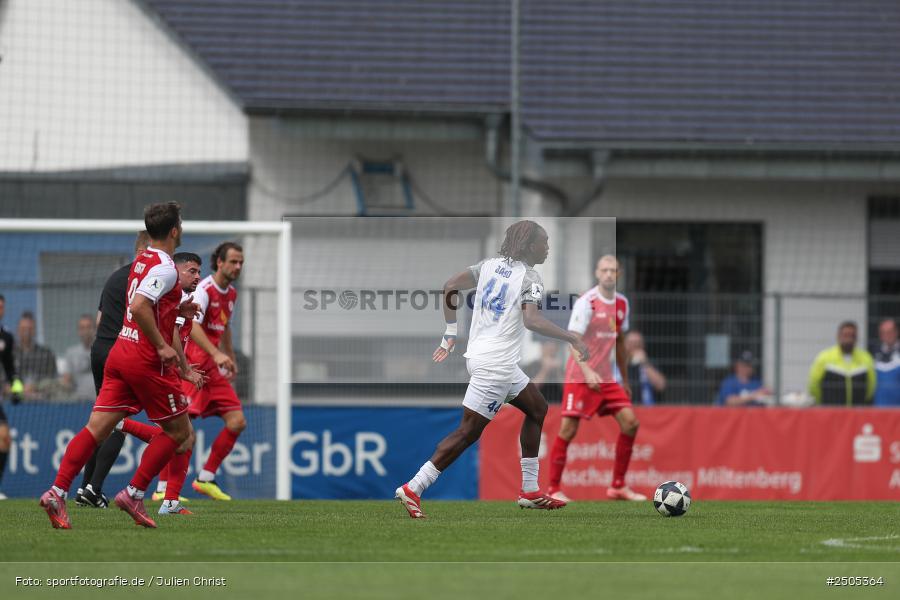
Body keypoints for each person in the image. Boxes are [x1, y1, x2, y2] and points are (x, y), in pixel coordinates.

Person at [395, 220, 590, 518]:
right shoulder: (530, 277)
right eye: (544, 242)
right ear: (529, 246)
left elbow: (449, 287)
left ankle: (530, 490)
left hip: (486, 358)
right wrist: (571, 337)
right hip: (495, 366)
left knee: (537, 408)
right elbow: (532, 320)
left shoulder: (488, 266)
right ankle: (414, 487)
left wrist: (450, 334)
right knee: (467, 432)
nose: (547, 248)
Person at [39, 202, 203, 529]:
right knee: (181, 433)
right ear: (174, 231)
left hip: (120, 351)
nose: (181, 229)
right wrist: (161, 345)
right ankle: (134, 492)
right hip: (144, 358)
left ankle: (57, 492)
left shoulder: (143, 258)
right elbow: (141, 306)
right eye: (180, 224)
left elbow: (144, 303)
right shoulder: (167, 267)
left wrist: (176, 309)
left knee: (96, 428)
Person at [80, 252, 204, 515]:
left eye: (198, 272)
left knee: (180, 436)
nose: (197, 276)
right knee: (181, 435)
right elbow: (169, 334)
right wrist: (184, 370)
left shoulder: (175, 298)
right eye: (192, 271)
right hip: (154, 369)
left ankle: (76, 489)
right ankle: (148, 494)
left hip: (151, 366)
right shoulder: (166, 289)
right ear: (177, 269)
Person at [547, 255, 646, 503]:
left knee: (631, 423)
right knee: (568, 429)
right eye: (605, 270)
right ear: (597, 273)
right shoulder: (587, 303)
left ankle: (618, 486)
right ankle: (553, 489)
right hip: (580, 376)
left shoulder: (622, 304)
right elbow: (573, 341)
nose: (609, 274)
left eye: (613, 270)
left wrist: (624, 379)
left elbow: (621, 344)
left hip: (606, 378)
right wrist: (587, 371)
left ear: (619, 274)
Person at [74, 231, 151, 508]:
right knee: (118, 422)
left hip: (100, 349)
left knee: (101, 422)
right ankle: (94, 488)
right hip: (122, 353)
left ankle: (84, 489)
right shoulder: (148, 278)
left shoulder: (115, 277)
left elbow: (99, 319)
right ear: (148, 249)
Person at [181, 242, 244, 501]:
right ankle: (163, 489)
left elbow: (225, 326)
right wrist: (216, 353)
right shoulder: (204, 290)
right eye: (233, 262)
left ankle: (205, 478)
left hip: (213, 370)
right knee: (181, 432)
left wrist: (228, 355)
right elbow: (192, 327)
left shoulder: (231, 294)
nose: (238, 267)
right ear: (219, 262)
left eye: (241, 263)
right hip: (193, 366)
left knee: (237, 422)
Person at [808, 321, 876, 406]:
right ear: (838, 336)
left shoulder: (866, 358)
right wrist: (823, 403)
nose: (848, 339)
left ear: (856, 338)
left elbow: (871, 386)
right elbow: (814, 385)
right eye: (845, 335)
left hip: (857, 412)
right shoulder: (824, 357)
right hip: (831, 412)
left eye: (852, 336)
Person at [0, 295, 24, 500]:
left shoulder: (6, 337)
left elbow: (10, 369)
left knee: (4, 438)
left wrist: (17, 388)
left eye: (1, 307)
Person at [15, 312, 58, 401]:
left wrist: (35, 386)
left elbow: (53, 380)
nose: (26, 332)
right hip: (14, 402)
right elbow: (4, 381)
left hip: (42, 401)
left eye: (30, 329)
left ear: (34, 331)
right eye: (23, 329)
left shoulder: (46, 354)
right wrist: (21, 389)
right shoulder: (9, 355)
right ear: (18, 331)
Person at [623, 330, 666, 405]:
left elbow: (661, 386)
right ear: (624, 345)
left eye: (637, 344)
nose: (633, 347)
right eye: (631, 344)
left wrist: (645, 363)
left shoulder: (649, 363)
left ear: (642, 346)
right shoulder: (616, 365)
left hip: (646, 409)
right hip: (624, 409)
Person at [60, 315, 96, 402]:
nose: (86, 331)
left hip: (100, 401)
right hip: (78, 403)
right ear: (78, 331)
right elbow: (66, 379)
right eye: (82, 328)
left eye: (88, 327)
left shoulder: (104, 351)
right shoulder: (71, 353)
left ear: (95, 330)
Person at [872, 318, 900, 407]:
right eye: (883, 332)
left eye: (890, 332)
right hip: (878, 407)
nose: (887, 335)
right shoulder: (873, 352)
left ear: (897, 332)